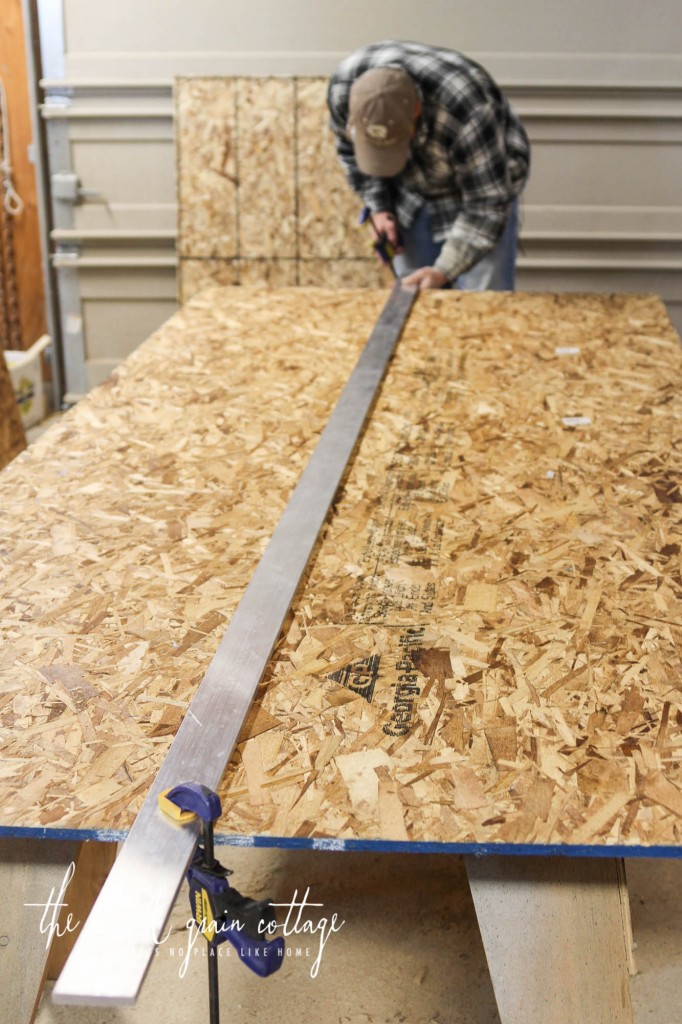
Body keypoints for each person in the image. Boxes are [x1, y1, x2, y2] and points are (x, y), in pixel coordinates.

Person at [327, 40, 531, 291]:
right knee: (414, 290)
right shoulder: (343, 91)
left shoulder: (467, 107)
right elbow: (350, 153)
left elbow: (487, 204)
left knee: (483, 298)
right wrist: (380, 208)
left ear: (417, 110)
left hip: (484, 184)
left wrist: (443, 271)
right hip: (411, 191)